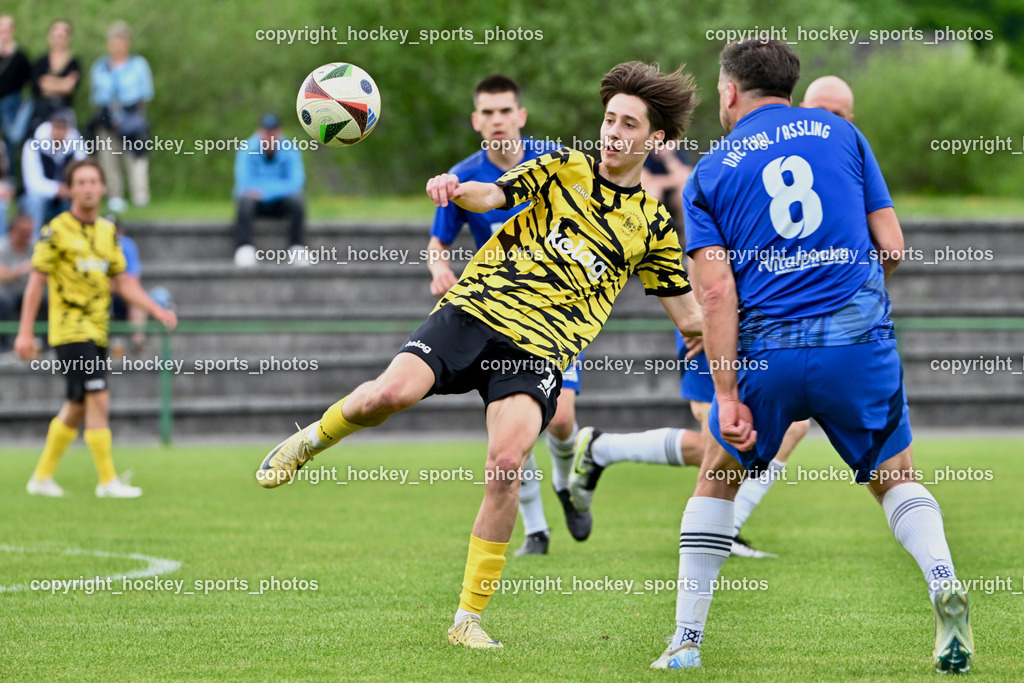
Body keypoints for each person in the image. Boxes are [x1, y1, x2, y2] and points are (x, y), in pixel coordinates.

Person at [256, 61, 702, 649]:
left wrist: (754, 327)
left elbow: (691, 317)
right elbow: (492, 191)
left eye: (628, 124)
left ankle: (467, 618)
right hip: (475, 310)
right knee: (385, 395)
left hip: (539, 351)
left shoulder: (652, 225)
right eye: (609, 119)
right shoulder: (561, 165)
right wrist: (452, 186)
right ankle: (309, 439)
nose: (612, 132)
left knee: (504, 466)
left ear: (657, 139)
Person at [652, 40, 972, 673]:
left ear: (729, 92)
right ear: (790, 89)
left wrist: (723, 395)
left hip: (768, 354)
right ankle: (942, 581)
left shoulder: (710, 170)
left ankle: (685, 643)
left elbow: (715, 294)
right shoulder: (845, 136)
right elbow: (893, 244)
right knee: (895, 477)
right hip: (857, 345)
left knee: (717, 475)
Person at [569, 75, 861, 555]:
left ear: (851, 122)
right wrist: (700, 319)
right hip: (717, 324)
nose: (828, 121)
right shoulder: (745, 160)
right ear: (800, 107)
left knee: (745, 438)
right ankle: (718, 530)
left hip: (771, 333)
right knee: (739, 439)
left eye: (839, 116)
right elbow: (700, 251)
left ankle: (602, 450)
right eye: (820, 110)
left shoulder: (837, 169)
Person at [427, 74, 588, 556]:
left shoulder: (553, 162)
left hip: (556, 311)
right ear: (477, 121)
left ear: (520, 116)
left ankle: (567, 483)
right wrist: (439, 268)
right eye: (487, 113)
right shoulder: (463, 174)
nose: (497, 120)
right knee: (514, 427)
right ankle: (536, 529)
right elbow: (437, 244)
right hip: (498, 312)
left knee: (560, 421)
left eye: (505, 111)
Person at [15, 158, 177, 498]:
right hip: (70, 330)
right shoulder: (56, 230)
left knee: (76, 404)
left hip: (97, 329)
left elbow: (124, 284)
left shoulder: (107, 232)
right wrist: (25, 332)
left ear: (103, 188)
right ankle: (107, 481)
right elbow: (35, 284)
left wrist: (155, 309)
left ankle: (41, 477)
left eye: (93, 181)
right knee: (98, 396)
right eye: (81, 182)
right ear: (71, 189)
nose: (88, 187)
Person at [89, 20, 153, 212]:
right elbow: (95, 95)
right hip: (106, 115)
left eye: (121, 40)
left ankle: (140, 194)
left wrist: (137, 119)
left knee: (136, 157)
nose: (117, 45)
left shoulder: (138, 65)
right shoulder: (100, 66)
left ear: (128, 42)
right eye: (113, 40)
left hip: (132, 115)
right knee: (108, 156)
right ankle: (115, 195)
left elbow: (145, 94)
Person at [232, 113, 306, 267]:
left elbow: (296, 182)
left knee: (298, 201)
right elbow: (244, 184)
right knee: (244, 202)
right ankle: (244, 247)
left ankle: (296, 247)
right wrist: (277, 189)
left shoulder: (291, 150)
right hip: (255, 204)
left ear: (280, 133)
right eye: (266, 132)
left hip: (278, 202)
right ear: (259, 132)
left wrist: (264, 192)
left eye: (273, 132)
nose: (270, 137)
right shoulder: (247, 149)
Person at [22, 109, 86, 237]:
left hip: (66, 197)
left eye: (63, 128)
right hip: (40, 198)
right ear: (50, 126)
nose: (59, 133)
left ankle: (74, 242)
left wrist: (69, 190)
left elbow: (82, 175)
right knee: (35, 200)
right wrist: (57, 189)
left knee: (77, 198)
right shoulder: (33, 145)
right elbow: (32, 183)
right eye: (56, 127)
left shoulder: (77, 144)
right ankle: (33, 243)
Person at [29, 19, 81, 132]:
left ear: (69, 38)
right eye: (57, 36)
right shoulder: (41, 61)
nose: (59, 39)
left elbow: (70, 87)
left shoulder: (74, 63)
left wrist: (49, 82)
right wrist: (62, 83)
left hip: (63, 110)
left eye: (62, 36)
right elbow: (40, 85)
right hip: (40, 111)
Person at [0, 15, 33, 179]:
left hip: (11, 101)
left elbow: (30, 80)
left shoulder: (19, 56)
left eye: (6, 29)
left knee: (9, 142)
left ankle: (9, 178)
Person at [0, 212, 34, 349]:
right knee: (4, 300)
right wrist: (23, 269)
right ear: (14, 230)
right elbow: (2, 276)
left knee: (45, 298)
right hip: (8, 292)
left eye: (29, 232)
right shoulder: (3, 247)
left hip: (28, 290)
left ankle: (46, 343)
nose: (27, 235)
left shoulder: (34, 247)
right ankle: (4, 342)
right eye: (23, 232)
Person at [640, 145, 691, 222]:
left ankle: (685, 233)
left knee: (685, 194)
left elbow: (687, 178)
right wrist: (674, 180)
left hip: (673, 196)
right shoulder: (645, 155)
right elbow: (643, 180)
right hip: (652, 193)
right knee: (653, 192)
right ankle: (651, 231)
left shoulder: (679, 155)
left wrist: (668, 158)